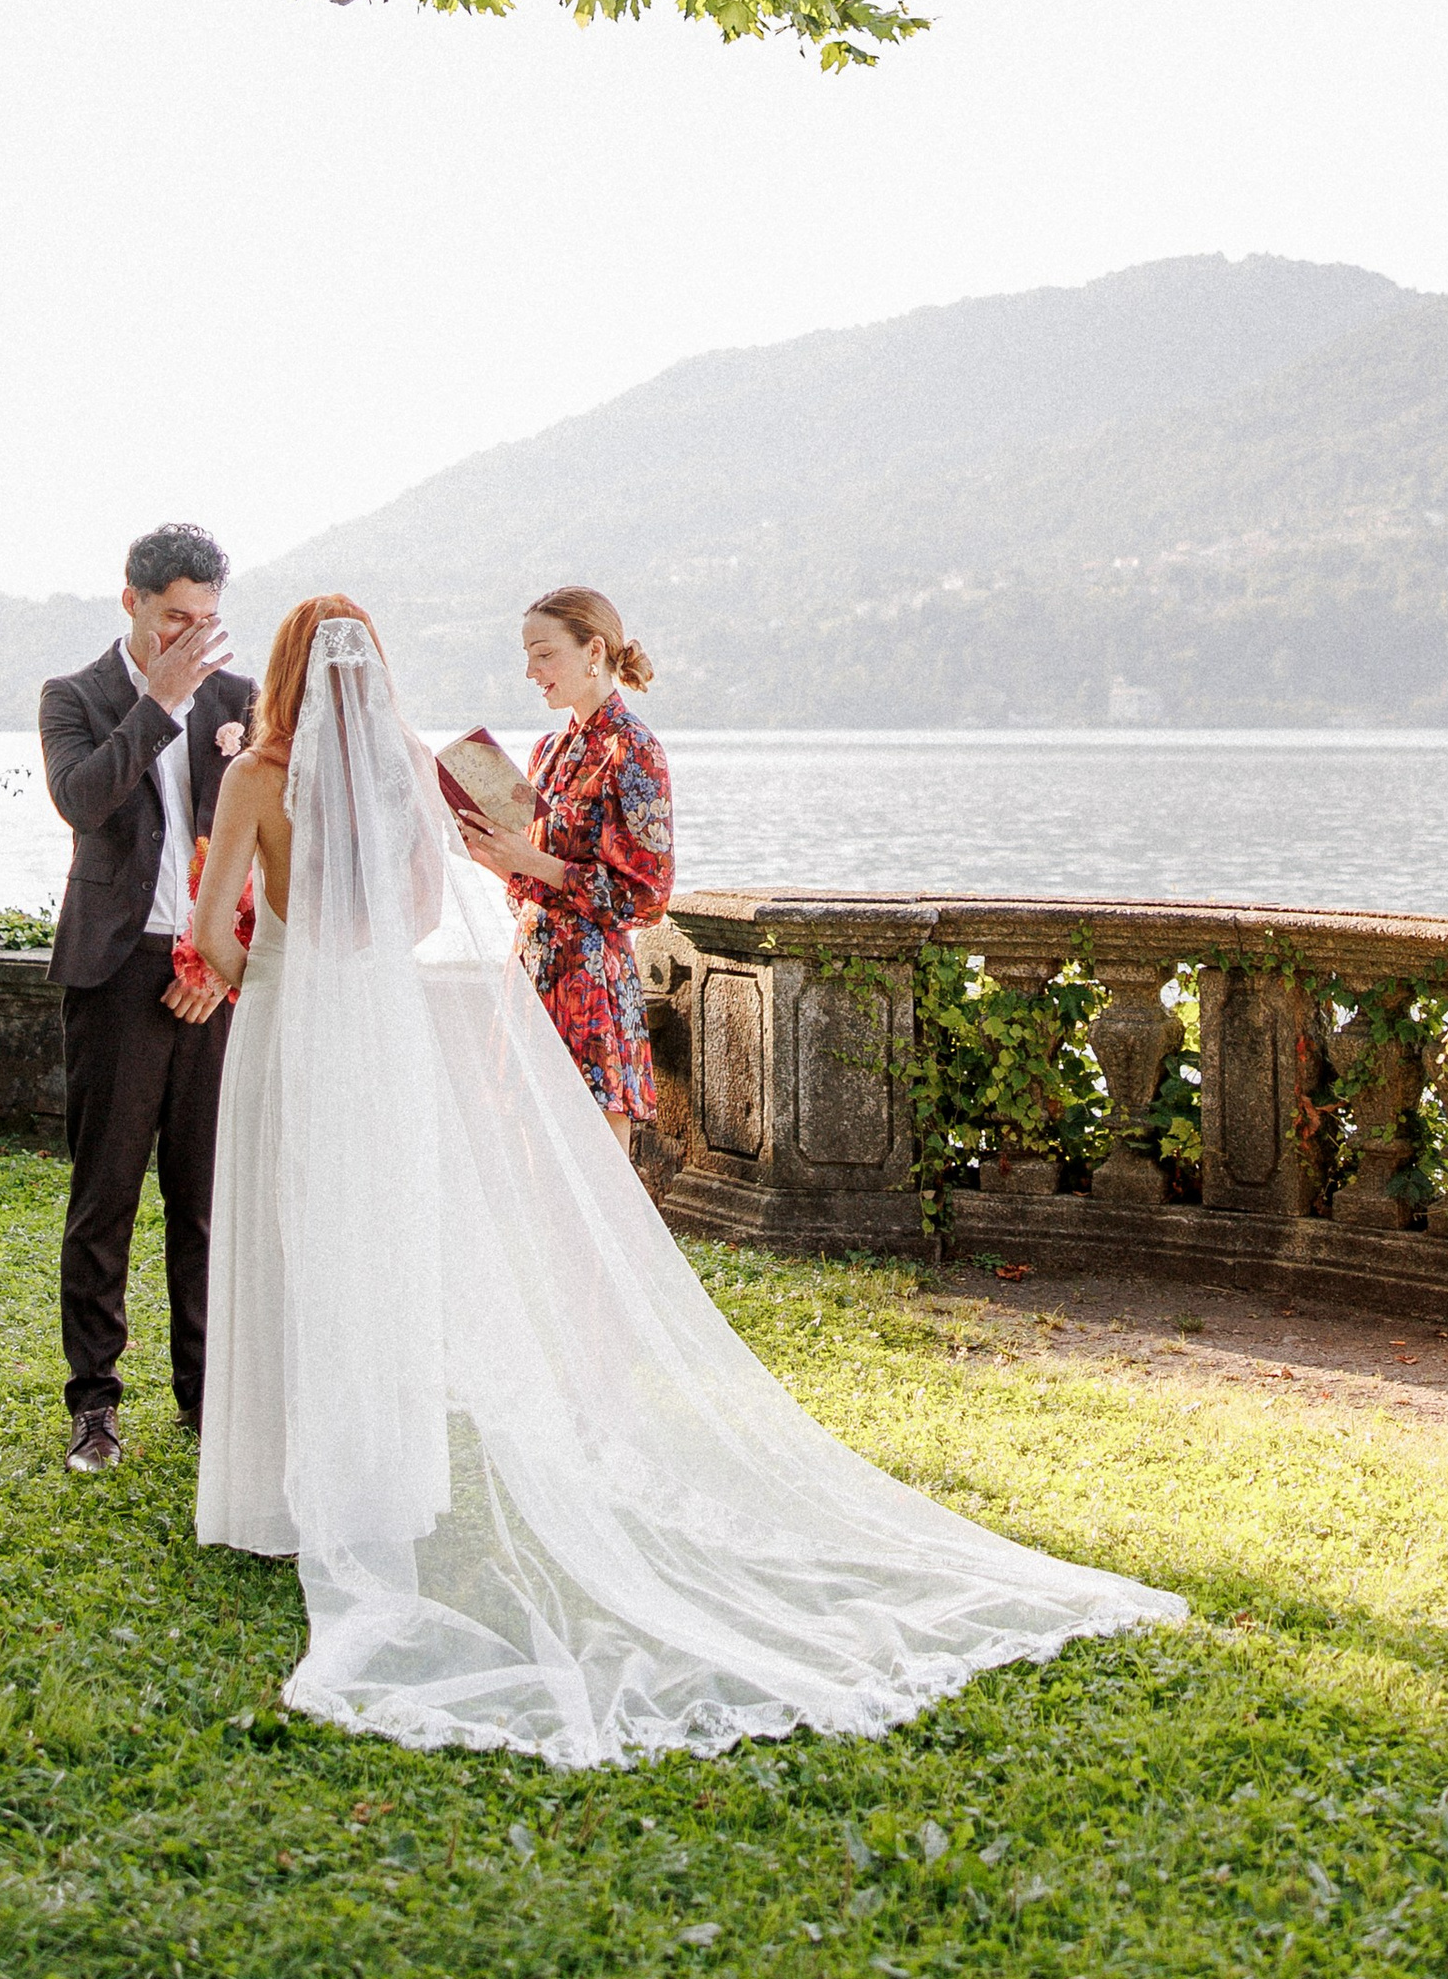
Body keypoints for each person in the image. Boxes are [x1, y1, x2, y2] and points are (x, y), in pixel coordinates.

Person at [185, 602, 1185, 1768]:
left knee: (297, 1241)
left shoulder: (263, 779)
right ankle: (392, 1487)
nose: (534, 671)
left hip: (327, 1023)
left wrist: (298, 978)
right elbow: (413, 917)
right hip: (392, 1027)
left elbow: (215, 941)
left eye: (545, 655)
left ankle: (282, 1492)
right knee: (384, 1246)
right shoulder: (422, 769)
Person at [38, 523, 256, 1477]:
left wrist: (221, 963)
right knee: (106, 1198)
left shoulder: (241, 698)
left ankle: (208, 1401)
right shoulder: (74, 696)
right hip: (116, 974)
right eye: (176, 618)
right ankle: (94, 1407)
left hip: (212, 972)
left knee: (206, 1202)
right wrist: (159, 705)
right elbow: (83, 801)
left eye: (208, 622)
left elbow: (260, 846)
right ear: (131, 601)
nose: (193, 638)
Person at [460, 585, 670, 1156]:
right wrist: (492, 854)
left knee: (597, 1171)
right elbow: (535, 882)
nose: (531, 670)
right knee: (529, 1157)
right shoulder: (547, 752)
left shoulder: (633, 750)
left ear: (593, 650)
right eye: (527, 655)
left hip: (592, 978)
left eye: (544, 653)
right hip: (533, 966)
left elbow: (646, 896)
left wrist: (534, 863)